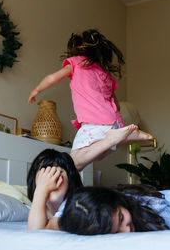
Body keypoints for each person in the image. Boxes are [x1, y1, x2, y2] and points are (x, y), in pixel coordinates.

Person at [28, 29, 153, 171]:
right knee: (98, 154)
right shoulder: (104, 73)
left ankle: (116, 138)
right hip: (114, 122)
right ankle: (126, 137)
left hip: (94, 123)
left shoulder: (76, 63)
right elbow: (116, 105)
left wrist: (37, 89)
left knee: (73, 162)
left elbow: (53, 78)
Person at [58, 185, 170, 235]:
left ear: (117, 200)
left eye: (121, 218)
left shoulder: (160, 216)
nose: (126, 230)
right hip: (167, 199)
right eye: (116, 232)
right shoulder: (86, 219)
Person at [26, 149, 83, 230]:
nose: (52, 179)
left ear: (70, 180)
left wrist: (41, 190)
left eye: (58, 172)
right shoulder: (36, 209)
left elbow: (36, 231)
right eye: (45, 173)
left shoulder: (77, 206)